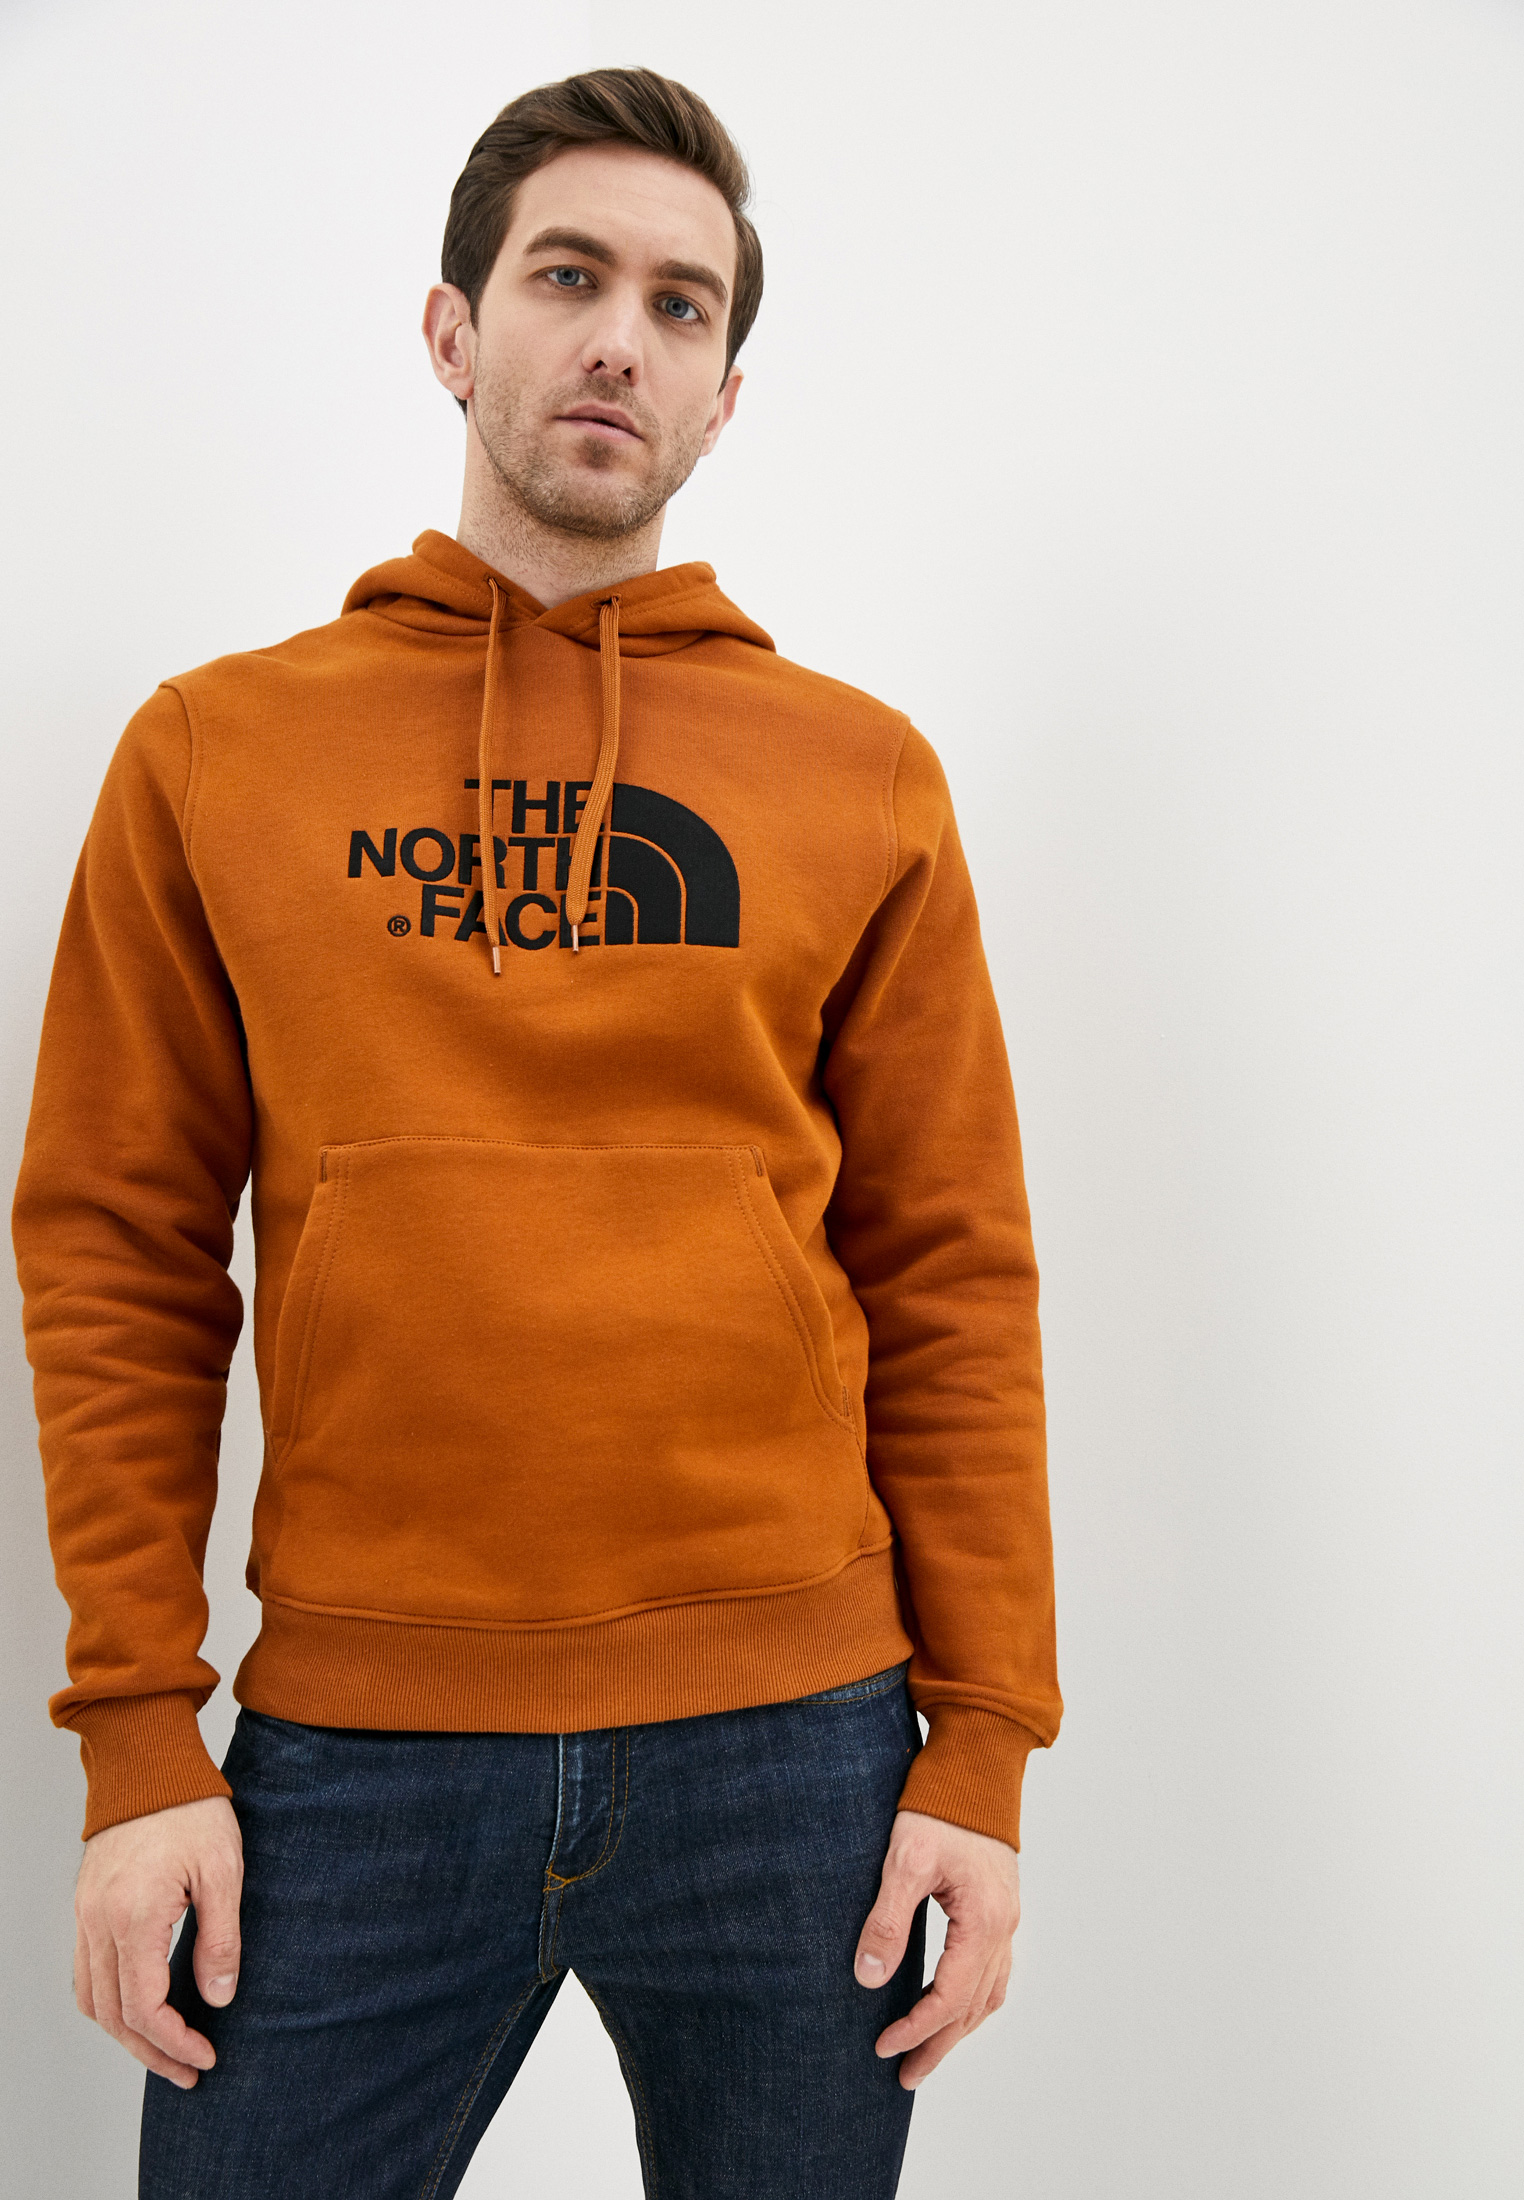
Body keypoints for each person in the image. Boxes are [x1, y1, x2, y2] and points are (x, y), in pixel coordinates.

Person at [13, 66, 1061, 2199]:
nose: (619, 341)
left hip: (799, 1748)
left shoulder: (856, 774)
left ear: (723, 394)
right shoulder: (217, 751)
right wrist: (137, 1737)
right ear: (451, 328)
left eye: (681, 306)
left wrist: (982, 1748)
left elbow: (953, 1270)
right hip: (357, 1746)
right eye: (567, 278)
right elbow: (117, 1244)